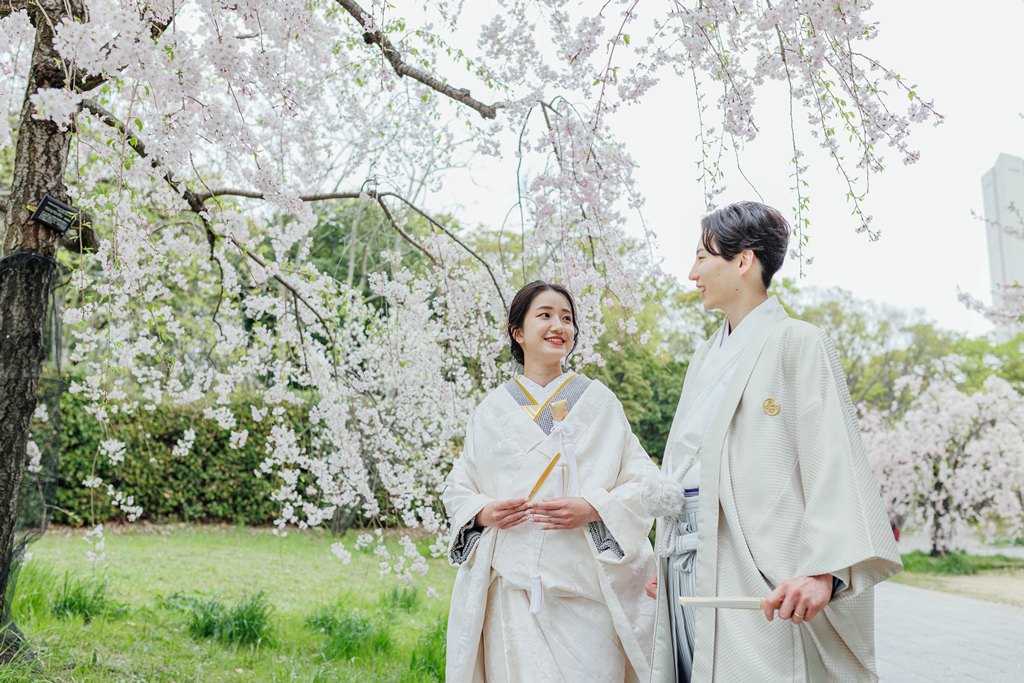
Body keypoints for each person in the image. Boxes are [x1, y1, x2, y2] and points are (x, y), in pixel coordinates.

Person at [644, 202, 902, 682]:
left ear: (743, 260)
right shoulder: (704, 356)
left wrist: (824, 570)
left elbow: (833, 457)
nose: (692, 274)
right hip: (691, 555)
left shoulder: (799, 341)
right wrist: (673, 552)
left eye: (702, 258)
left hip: (758, 562)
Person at [442, 280, 659, 683]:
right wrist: (484, 512)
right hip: (511, 593)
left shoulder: (599, 403)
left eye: (567, 318)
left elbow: (645, 482)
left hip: (587, 590)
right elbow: (458, 488)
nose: (559, 326)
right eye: (545, 315)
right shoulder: (490, 411)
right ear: (518, 332)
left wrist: (593, 507)